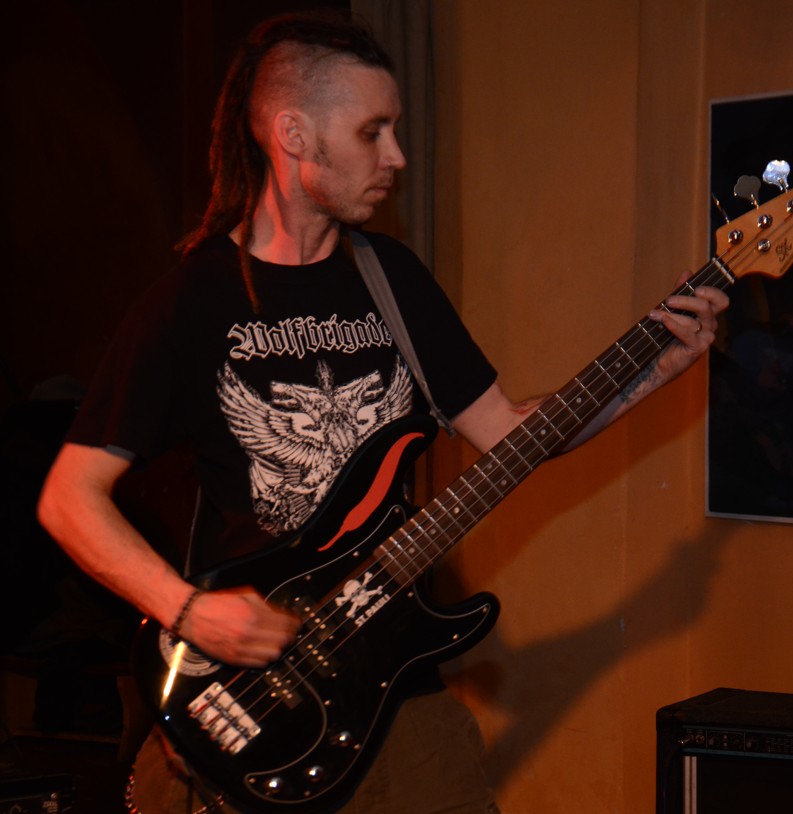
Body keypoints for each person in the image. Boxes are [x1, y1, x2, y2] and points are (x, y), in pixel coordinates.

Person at [36, 11, 727, 814]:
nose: (395, 155)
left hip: (400, 691)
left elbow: (509, 435)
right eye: (372, 132)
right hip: (253, 694)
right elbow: (68, 500)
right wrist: (188, 611)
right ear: (294, 135)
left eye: (394, 130)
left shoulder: (391, 279)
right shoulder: (189, 303)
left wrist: (650, 373)